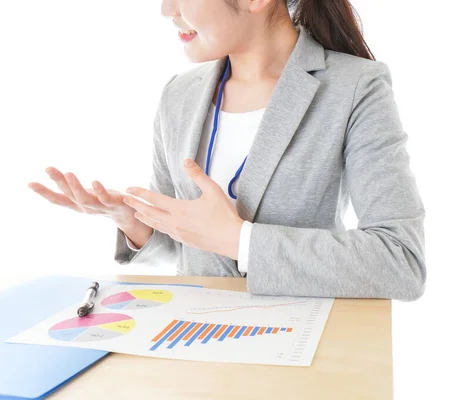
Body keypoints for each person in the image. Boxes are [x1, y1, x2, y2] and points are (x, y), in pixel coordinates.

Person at [28, 0, 427, 300]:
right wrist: (136, 223)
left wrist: (239, 239)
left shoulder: (356, 87)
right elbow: (184, 246)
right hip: (196, 347)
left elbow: (399, 260)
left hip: (303, 355)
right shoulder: (178, 95)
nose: (166, 9)